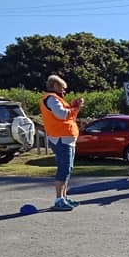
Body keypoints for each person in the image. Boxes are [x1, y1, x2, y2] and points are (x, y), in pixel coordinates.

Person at [39, 74, 84, 211]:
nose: (64, 91)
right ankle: (59, 199)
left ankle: (63, 197)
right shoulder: (52, 99)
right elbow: (62, 115)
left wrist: (73, 107)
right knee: (64, 168)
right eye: (62, 88)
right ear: (54, 86)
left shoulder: (55, 99)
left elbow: (65, 114)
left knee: (68, 169)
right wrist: (76, 107)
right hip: (61, 139)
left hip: (66, 138)